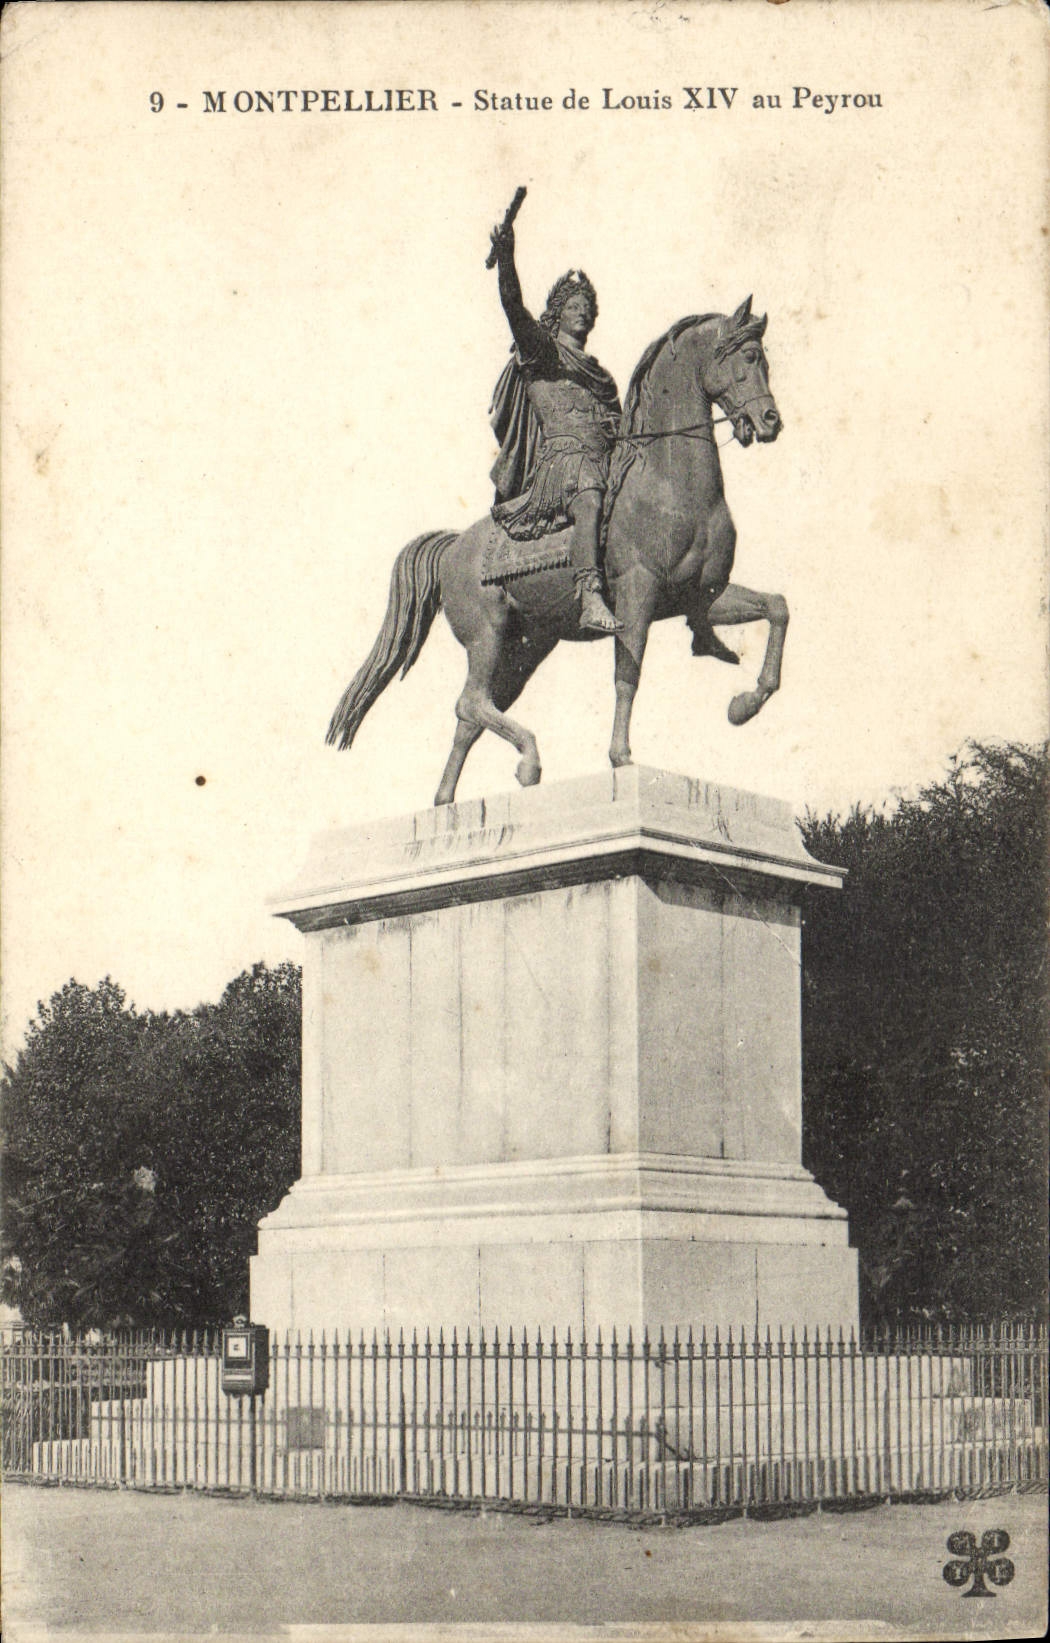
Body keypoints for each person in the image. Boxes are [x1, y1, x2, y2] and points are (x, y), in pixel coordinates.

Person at [488, 220, 623, 632]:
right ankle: (589, 595)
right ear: (556, 314)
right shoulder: (542, 353)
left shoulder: (601, 376)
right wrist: (507, 258)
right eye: (573, 305)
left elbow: (618, 423)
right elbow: (514, 307)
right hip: (563, 463)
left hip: (604, 457)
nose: (582, 310)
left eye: (588, 306)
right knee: (589, 493)